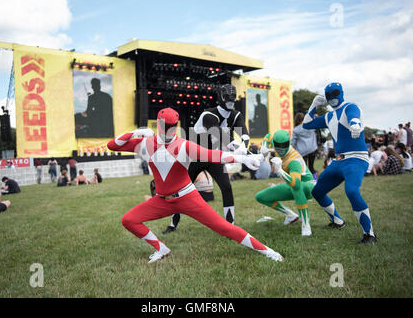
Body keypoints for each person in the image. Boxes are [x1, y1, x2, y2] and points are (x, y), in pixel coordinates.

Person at [107, 107, 283, 263]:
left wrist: (245, 158)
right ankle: (161, 249)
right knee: (129, 220)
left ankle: (268, 252)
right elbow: (112, 145)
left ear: (175, 126)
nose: (169, 130)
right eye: (166, 126)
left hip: (187, 197)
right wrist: (136, 132)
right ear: (160, 125)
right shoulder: (145, 143)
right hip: (162, 200)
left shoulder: (184, 145)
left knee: (224, 227)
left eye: (171, 126)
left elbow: (217, 156)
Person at [163, 84, 250, 234]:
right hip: (194, 158)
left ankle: (231, 226)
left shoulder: (235, 115)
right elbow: (221, 136)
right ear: (221, 98)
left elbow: (245, 135)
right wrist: (242, 151)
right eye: (228, 97)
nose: (230, 100)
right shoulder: (208, 115)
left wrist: (245, 147)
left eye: (232, 97)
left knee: (226, 187)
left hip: (213, 156)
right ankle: (172, 224)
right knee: (180, 190)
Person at [302, 82, 377, 244]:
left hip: (356, 159)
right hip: (338, 161)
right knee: (317, 192)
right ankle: (337, 221)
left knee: (351, 191)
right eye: (328, 95)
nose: (331, 97)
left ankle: (369, 234)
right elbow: (306, 124)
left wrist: (355, 125)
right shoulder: (329, 116)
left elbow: (354, 116)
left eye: (335, 93)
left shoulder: (350, 106)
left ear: (341, 93)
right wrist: (313, 105)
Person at [255, 130, 316, 236]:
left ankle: (306, 225)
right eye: (278, 145)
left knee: (296, 188)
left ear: (289, 143)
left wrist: (279, 171)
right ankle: (291, 216)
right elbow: (268, 135)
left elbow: (296, 184)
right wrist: (264, 146)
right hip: (291, 184)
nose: (281, 148)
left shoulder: (294, 160)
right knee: (261, 196)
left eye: (284, 145)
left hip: (309, 187)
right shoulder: (276, 143)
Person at [292, 112, 318, 180]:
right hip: (312, 149)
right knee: (311, 167)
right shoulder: (310, 126)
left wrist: (291, 149)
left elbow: (293, 142)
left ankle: (306, 182)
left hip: (302, 151)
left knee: (304, 169)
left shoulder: (295, 130)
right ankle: (315, 181)